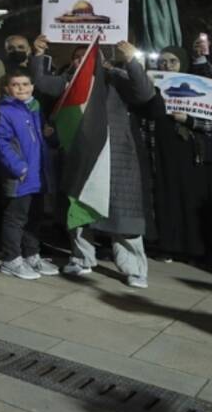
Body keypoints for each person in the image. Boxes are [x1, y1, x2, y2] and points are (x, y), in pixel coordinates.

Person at [32, 41, 156, 287]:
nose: (81, 61)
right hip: (80, 156)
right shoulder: (68, 81)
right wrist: (38, 54)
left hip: (116, 157)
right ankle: (82, 259)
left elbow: (144, 94)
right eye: (77, 58)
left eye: (86, 57)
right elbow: (42, 83)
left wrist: (130, 60)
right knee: (80, 208)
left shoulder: (114, 77)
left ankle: (134, 269)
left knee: (123, 213)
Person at [140, 45, 212, 262]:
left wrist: (189, 120)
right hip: (162, 151)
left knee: (190, 200)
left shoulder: (198, 88)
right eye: (163, 61)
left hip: (191, 153)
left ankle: (193, 248)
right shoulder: (153, 86)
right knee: (167, 197)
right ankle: (168, 244)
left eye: (172, 61)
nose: (167, 65)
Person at [0, 71, 61, 280]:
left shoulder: (35, 108)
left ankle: (31, 254)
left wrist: (50, 135)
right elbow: (1, 142)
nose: (21, 88)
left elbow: (41, 137)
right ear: (7, 88)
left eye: (25, 84)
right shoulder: (4, 110)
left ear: (32, 87)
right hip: (21, 176)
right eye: (15, 84)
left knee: (35, 217)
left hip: (38, 174)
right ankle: (11, 259)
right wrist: (19, 168)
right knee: (16, 218)